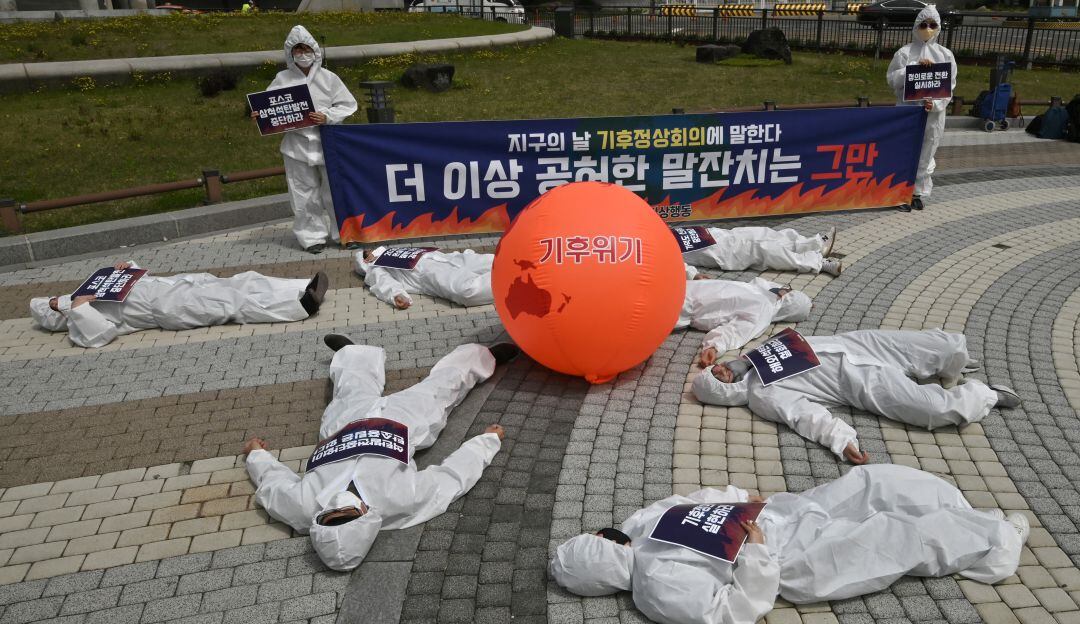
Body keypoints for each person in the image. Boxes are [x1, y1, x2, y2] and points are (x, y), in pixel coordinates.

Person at [550, 464, 1028, 624]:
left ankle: (959, 508)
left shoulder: (640, 527)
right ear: (603, 565)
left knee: (867, 484)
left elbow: (693, 498)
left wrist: (743, 498)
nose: (604, 534)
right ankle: (997, 540)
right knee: (894, 538)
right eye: (598, 541)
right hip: (791, 562)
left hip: (781, 513)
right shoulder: (657, 586)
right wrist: (757, 552)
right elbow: (734, 611)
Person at [243, 335, 520, 571]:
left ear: (319, 522)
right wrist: (486, 442)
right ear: (365, 517)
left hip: (344, 425)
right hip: (404, 424)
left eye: (330, 515)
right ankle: (483, 357)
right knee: (441, 389)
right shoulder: (398, 502)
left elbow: (273, 485)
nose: (340, 505)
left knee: (350, 388)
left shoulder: (301, 508)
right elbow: (451, 478)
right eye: (348, 513)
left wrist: (256, 455)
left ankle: (352, 354)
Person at [691, 328, 1020, 464]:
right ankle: (985, 394)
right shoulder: (763, 394)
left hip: (861, 344)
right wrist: (841, 441)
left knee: (948, 346)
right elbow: (806, 417)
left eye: (718, 371)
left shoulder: (757, 354)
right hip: (861, 383)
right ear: (729, 392)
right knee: (932, 411)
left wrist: (738, 360)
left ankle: (951, 371)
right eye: (721, 380)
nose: (722, 373)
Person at [30, 261, 327, 348]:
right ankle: (299, 306)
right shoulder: (78, 317)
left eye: (55, 298)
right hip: (167, 307)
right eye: (53, 305)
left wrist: (127, 268)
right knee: (233, 302)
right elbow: (101, 334)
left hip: (171, 285)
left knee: (241, 281)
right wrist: (79, 308)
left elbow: (136, 282)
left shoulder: (88, 290)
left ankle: (300, 285)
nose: (58, 300)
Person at [255, 26, 358, 254]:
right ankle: (312, 238)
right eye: (297, 49)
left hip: (328, 142)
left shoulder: (329, 78)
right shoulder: (282, 79)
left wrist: (327, 116)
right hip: (297, 146)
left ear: (315, 50)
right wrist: (260, 113)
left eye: (306, 48)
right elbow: (270, 107)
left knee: (335, 191)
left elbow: (347, 104)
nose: (302, 54)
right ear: (290, 53)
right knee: (303, 193)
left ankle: (345, 233)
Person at [887, 5, 957, 212]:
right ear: (916, 26)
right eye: (923, 24)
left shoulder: (945, 55)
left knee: (925, 155)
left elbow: (949, 88)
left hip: (932, 116)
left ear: (938, 28)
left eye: (932, 25)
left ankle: (917, 193)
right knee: (904, 153)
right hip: (907, 113)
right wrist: (913, 68)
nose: (928, 28)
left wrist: (934, 104)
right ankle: (900, 193)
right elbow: (891, 79)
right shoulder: (904, 53)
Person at [677, 272, 813, 367]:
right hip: (687, 288)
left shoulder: (763, 310)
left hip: (682, 305)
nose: (784, 288)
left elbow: (736, 331)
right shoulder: (759, 291)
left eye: (788, 291)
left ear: (787, 301)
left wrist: (715, 347)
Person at [355, 247, 494, 309]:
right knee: (467, 291)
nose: (371, 252)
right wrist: (397, 295)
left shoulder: (391, 251)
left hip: (445, 258)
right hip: (427, 272)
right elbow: (383, 282)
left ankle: (514, 266)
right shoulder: (375, 268)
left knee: (492, 261)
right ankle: (509, 284)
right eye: (366, 255)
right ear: (365, 262)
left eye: (370, 250)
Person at [681, 226, 842, 276]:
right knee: (765, 249)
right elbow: (669, 262)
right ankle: (818, 263)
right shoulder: (656, 249)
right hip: (721, 252)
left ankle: (814, 244)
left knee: (763, 233)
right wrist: (693, 275)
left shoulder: (657, 228)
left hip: (716, 234)